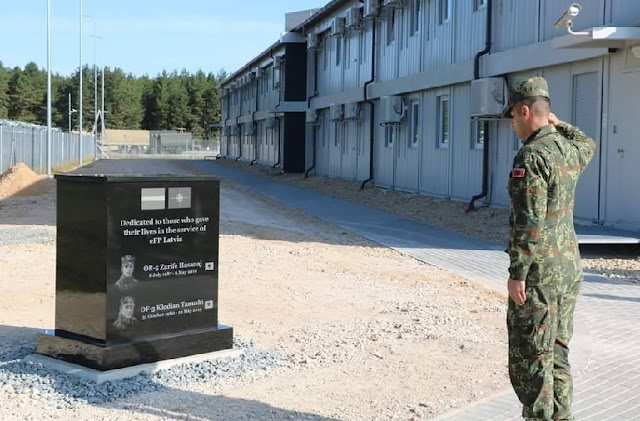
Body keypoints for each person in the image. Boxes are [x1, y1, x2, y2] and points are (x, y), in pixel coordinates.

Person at [502, 77, 596, 421]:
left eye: (513, 116)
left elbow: (529, 222)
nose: (512, 123)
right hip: (568, 269)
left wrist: (517, 274)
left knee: (533, 358)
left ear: (525, 111)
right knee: (557, 350)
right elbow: (588, 142)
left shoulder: (531, 156)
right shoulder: (567, 149)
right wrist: (559, 123)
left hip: (539, 275)